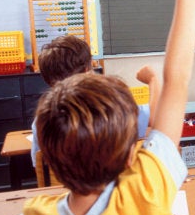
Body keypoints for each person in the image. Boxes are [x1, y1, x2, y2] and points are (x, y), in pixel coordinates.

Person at [23, 0, 195, 215]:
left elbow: (176, 83)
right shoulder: (146, 191)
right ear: (130, 157)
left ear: (53, 165)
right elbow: (176, 80)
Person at [30, 36, 159, 168]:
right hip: (113, 184)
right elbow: (154, 118)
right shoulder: (110, 108)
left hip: (64, 186)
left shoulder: (41, 120)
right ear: (87, 71)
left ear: (48, 80)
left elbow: (39, 164)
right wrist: (153, 80)